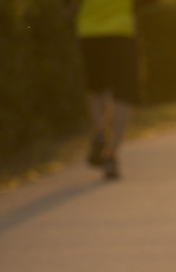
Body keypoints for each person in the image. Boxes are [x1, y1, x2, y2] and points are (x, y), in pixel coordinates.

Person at [66, 0, 142, 180]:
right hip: (122, 31)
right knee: (124, 94)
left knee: (96, 89)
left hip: (90, 31)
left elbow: (70, 6)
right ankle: (112, 154)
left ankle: (99, 132)